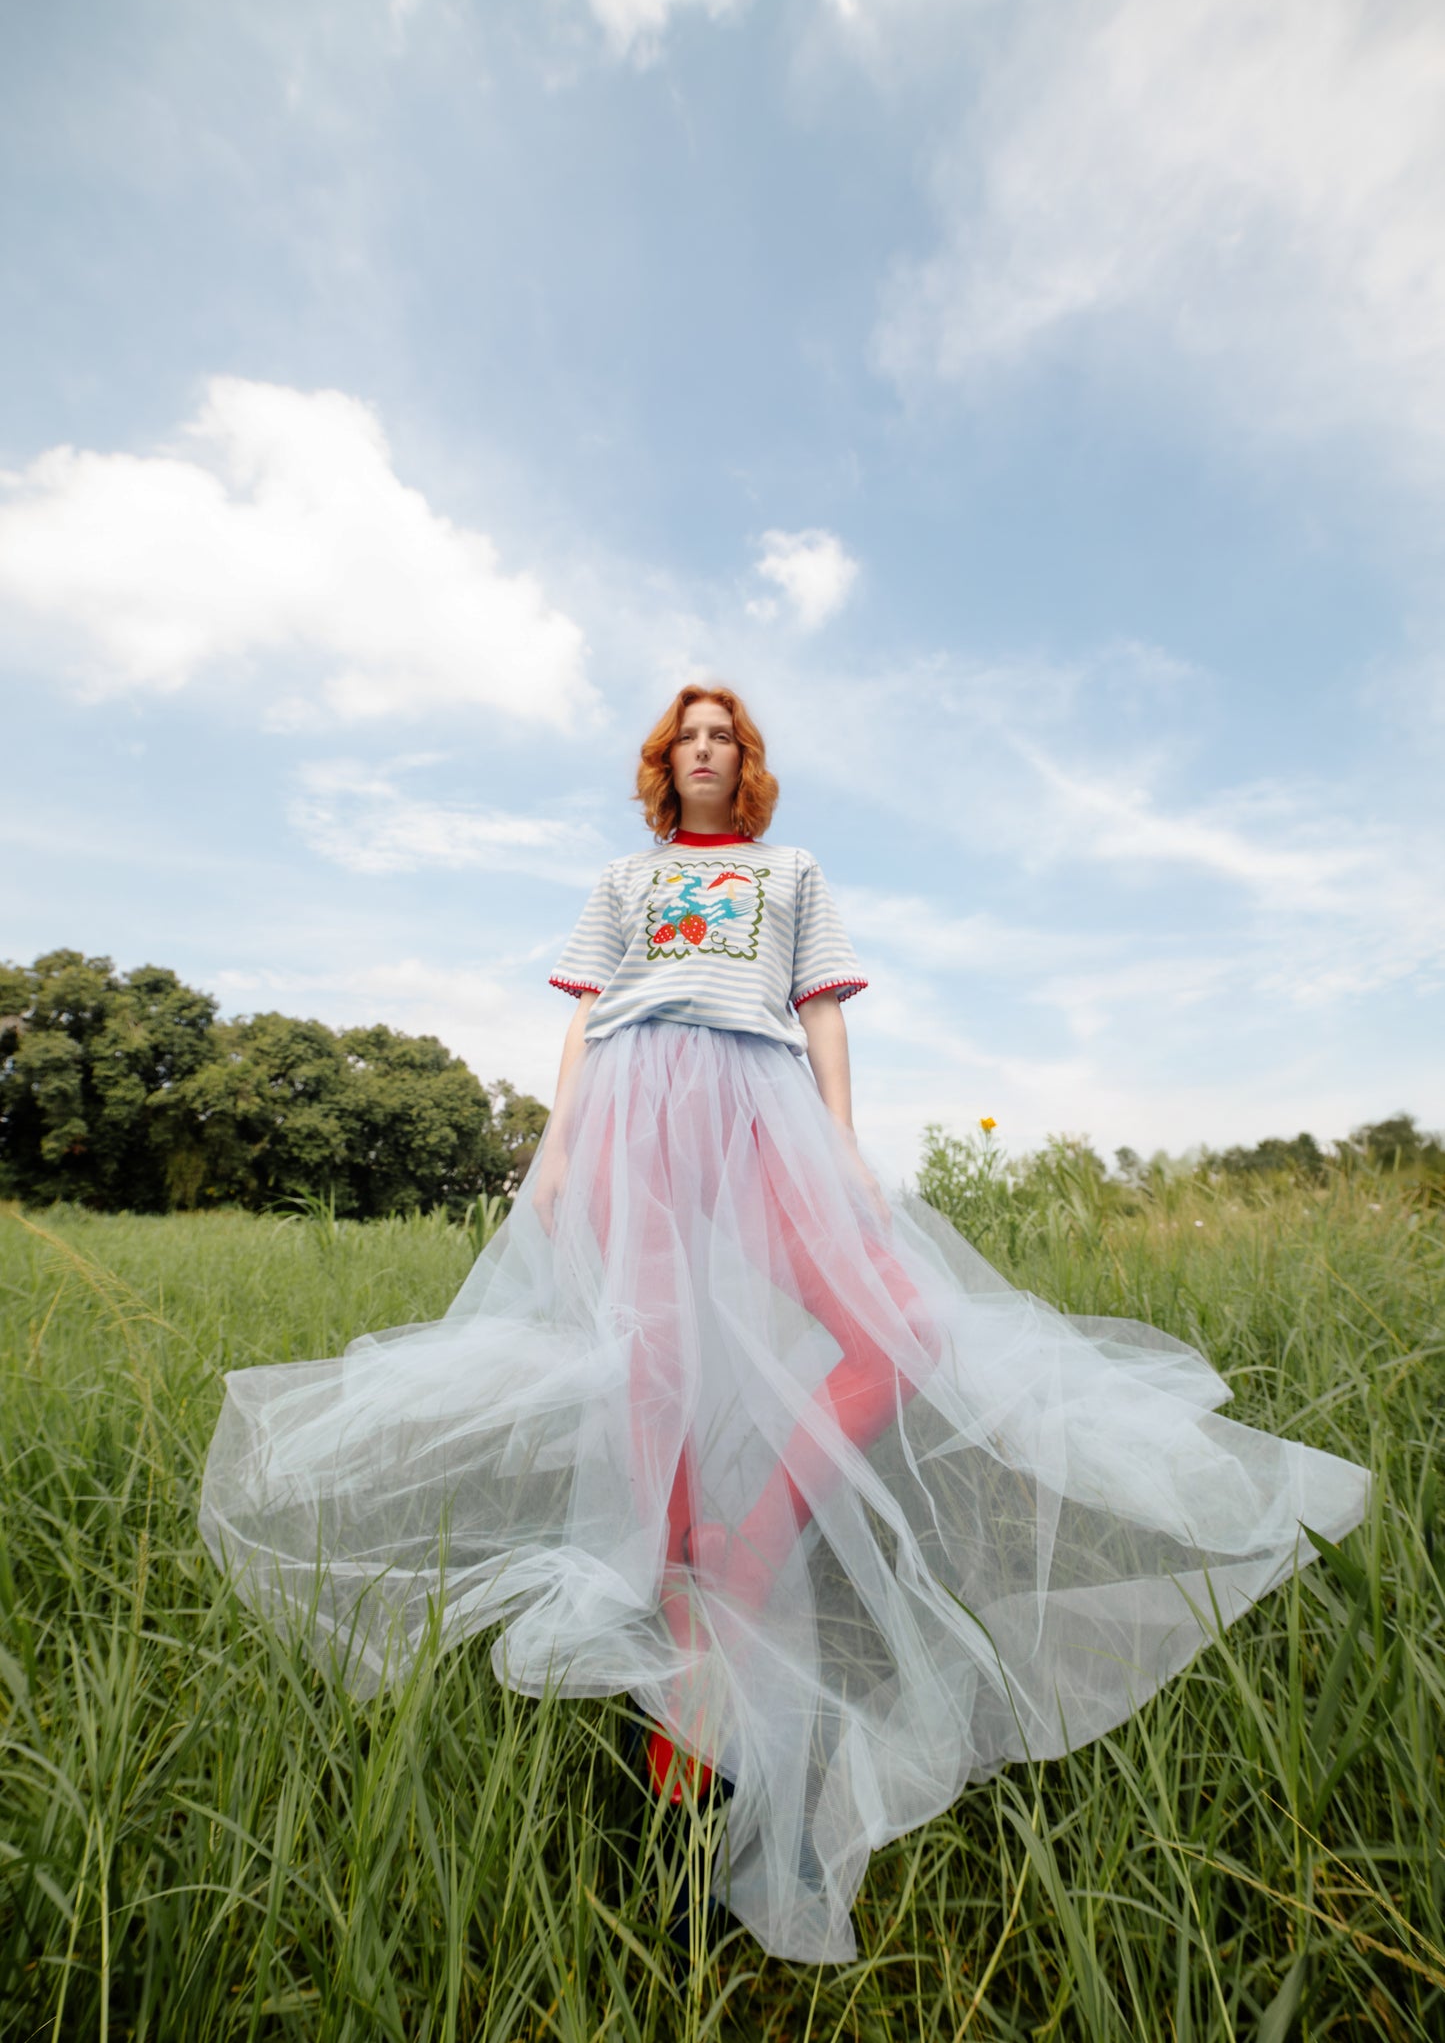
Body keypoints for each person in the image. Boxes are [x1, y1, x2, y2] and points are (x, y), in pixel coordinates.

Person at [201, 684, 1371, 1965]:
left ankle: (748, 1539)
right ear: (663, 762)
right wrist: (556, 1146)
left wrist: (842, 1144)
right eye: (685, 737)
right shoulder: (624, 879)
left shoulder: (792, 870)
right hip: (636, 1101)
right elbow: (585, 1013)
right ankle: (682, 1768)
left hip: (758, 1098)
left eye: (723, 736)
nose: (703, 750)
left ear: (744, 760)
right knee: (653, 1366)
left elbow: (819, 1010)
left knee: (898, 1330)